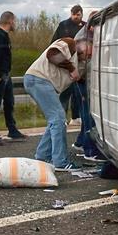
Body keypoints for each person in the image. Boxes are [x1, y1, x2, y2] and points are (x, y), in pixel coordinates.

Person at [24, 37, 82, 172]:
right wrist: (72, 68)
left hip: (39, 81)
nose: (89, 55)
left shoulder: (79, 58)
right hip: (39, 79)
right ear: (84, 43)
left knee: (54, 121)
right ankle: (60, 162)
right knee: (59, 119)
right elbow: (52, 54)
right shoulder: (70, 43)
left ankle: (42, 156)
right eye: (90, 50)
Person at [0, 11, 27, 145]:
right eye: (14, 21)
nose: (15, 23)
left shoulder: (5, 36)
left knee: (9, 102)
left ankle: (12, 129)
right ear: (10, 21)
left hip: (5, 75)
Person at [71, 13, 106, 162]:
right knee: (88, 115)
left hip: (81, 79)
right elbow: (85, 62)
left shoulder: (84, 34)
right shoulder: (85, 38)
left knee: (86, 114)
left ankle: (80, 142)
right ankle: (90, 150)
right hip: (83, 80)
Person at [51, 5, 85, 125]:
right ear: (71, 14)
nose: (76, 17)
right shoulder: (63, 25)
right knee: (65, 92)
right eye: (74, 14)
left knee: (77, 93)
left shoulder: (85, 26)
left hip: (79, 64)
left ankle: (76, 117)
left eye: (78, 14)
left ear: (82, 14)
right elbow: (54, 42)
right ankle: (61, 117)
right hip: (65, 63)